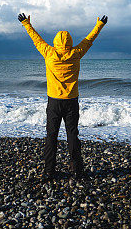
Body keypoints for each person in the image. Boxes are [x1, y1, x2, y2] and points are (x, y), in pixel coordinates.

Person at [17, 12, 108, 181]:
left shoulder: (49, 53)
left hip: (54, 102)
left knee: (51, 136)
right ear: (71, 42)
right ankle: (77, 171)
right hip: (71, 102)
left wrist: (26, 23)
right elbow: (89, 40)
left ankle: (48, 171)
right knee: (72, 135)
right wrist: (99, 25)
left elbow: (36, 39)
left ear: (55, 42)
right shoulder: (76, 53)